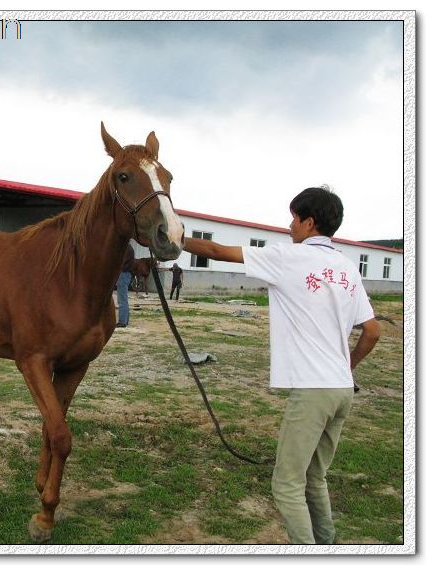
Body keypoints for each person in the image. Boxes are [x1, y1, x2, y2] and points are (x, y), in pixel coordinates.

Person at [182, 186, 381, 545]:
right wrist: (347, 366)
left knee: (287, 485)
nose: (289, 226)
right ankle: (329, 545)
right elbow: (372, 330)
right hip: (340, 391)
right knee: (314, 478)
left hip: (313, 391)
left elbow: (214, 250)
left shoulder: (289, 258)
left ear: (309, 222)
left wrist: (175, 237)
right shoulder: (347, 267)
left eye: (293, 219)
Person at [116, 243, 135, 327]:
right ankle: (125, 320)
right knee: (124, 299)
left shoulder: (126, 248)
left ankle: (122, 321)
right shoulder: (130, 248)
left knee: (122, 299)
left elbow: (121, 262)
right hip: (126, 274)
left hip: (123, 274)